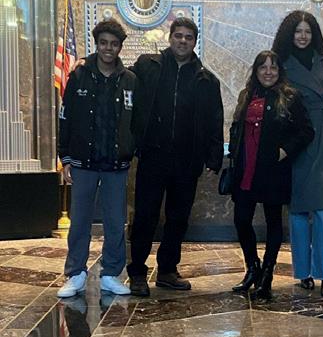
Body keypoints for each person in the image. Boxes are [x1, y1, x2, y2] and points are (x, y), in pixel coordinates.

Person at [126, 17, 224, 297]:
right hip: (153, 156)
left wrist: (214, 156)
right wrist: (87, 62)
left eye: (188, 37)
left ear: (195, 42)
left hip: (187, 160)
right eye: (178, 35)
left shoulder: (206, 79)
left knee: (178, 218)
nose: (183, 41)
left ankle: (168, 270)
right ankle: (137, 273)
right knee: (145, 216)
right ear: (170, 38)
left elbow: (214, 119)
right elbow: (121, 78)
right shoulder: (148, 66)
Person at [57, 19, 137, 298]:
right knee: (80, 221)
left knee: (115, 222)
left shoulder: (130, 80)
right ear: (97, 44)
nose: (108, 48)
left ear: (120, 47)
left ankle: (111, 274)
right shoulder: (79, 75)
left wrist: (131, 148)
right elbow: (65, 118)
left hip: (116, 164)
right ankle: (76, 273)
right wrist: (65, 157)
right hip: (83, 163)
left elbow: (136, 120)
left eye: (113, 44)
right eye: (103, 43)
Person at [229, 50, 314, 300]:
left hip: (273, 170)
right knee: (241, 219)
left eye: (273, 67)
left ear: (280, 71)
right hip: (246, 167)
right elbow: (237, 126)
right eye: (263, 67)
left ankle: (267, 274)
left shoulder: (290, 97)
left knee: (273, 222)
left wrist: (284, 151)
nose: (268, 72)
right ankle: (252, 268)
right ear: (256, 71)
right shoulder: (247, 95)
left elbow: (306, 131)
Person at [272, 10, 323, 297]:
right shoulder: (280, 63)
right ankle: (304, 271)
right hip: (298, 135)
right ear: (289, 34)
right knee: (299, 206)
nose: (303, 36)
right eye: (298, 31)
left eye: (307, 31)